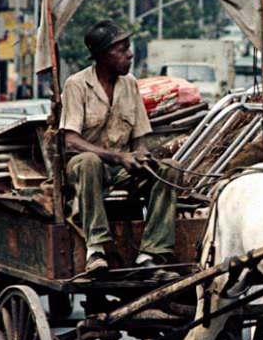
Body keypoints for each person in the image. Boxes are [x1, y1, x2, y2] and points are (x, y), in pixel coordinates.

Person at [60, 20, 178, 274]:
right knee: (88, 161)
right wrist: (117, 157)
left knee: (169, 168)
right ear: (102, 56)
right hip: (87, 170)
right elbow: (70, 141)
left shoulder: (130, 84)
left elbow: (139, 139)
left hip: (121, 170)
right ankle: (96, 250)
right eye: (121, 49)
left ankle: (151, 253)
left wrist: (142, 158)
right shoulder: (77, 84)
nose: (130, 54)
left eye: (128, 47)